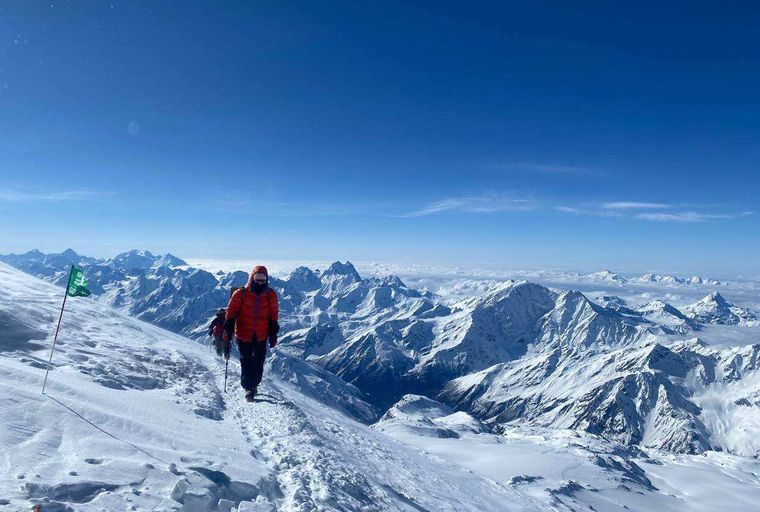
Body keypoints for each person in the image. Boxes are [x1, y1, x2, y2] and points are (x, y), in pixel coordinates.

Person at [224, 265, 279, 401]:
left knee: (259, 361)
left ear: (267, 279)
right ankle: (249, 387)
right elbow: (231, 313)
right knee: (246, 360)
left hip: (261, 334)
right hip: (243, 333)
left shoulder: (270, 294)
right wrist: (228, 329)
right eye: (257, 279)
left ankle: (254, 383)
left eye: (263, 279)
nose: (260, 282)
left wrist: (273, 334)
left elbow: (273, 316)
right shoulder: (241, 294)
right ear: (252, 278)